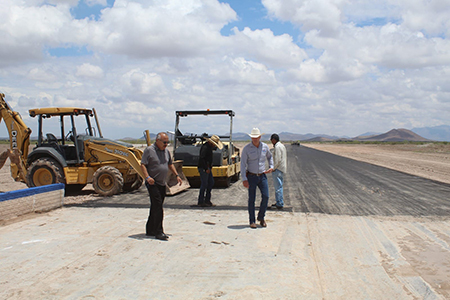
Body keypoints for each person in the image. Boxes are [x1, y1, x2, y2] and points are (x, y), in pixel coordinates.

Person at [140, 132, 183, 241]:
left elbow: (170, 164)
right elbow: (143, 164)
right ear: (157, 141)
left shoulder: (166, 151)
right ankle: (159, 231)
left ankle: (150, 229)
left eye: (168, 142)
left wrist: (177, 175)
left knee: (155, 206)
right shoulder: (149, 150)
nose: (166, 144)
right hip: (152, 183)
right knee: (158, 206)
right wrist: (147, 177)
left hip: (162, 183)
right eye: (164, 142)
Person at [240, 128, 273, 229]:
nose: (254, 139)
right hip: (251, 176)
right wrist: (244, 179)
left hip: (262, 176)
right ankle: (252, 221)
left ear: (260, 137)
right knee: (252, 199)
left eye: (256, 137)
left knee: (266, 196)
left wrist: (271, 166)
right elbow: (242, 164)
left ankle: (261, 217)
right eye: (253, 137)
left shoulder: (265, 147)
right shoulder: (247, 149)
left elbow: (270, 157)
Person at [197, 135, 223, 207]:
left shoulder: (208, 147)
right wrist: (206, 168)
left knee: (210, 183)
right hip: (204, 168)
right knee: (204, 184)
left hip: (207, 168)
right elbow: (202, 158)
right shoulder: (205, 147)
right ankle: (201, 201)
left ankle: (207, 200)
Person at [270, 133, 287, 209]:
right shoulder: (282, 146)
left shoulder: (277, 147)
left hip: (278, 169)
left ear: (274, 140)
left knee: (278, 187)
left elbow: (277, 159)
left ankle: (279, 203)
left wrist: (273, 168)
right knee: (279, 186)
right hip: (281, 168)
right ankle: (279, 201)